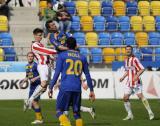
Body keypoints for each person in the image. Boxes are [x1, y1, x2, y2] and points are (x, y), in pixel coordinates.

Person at [48, 37, 95, 126]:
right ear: (75, 45)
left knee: (59, 111)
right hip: (77, 88)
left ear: (66, 45)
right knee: (76, 113)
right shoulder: (82, 57)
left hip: (65, 87)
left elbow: (57, 73)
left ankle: (66, 124)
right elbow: (88, 75)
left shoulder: (62, 55)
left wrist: (50, 87)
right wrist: (91, 90)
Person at [24, 28, 57, 109]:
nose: (41, 37)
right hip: (42, 66)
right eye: (39, 35)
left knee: (44, 88)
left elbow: (46, 54)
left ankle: (30, 99)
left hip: (47, 66)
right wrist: (57, 50)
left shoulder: (40, 44)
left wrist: (52, 59)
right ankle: (30, 100)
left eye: (41, 35)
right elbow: (45, 51)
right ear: (34, 36)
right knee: (43, 83)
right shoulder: (34, 45)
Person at [120, 45, 154, 120]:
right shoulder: (126, 60)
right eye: (127, 49)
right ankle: (130, 115)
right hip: (129, 82)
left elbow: (142, 69)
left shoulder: (135, 59)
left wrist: (136, 75)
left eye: (129, 49)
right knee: (125, 98)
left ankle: (150, 112)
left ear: (131, 51)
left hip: (136, 82)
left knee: (140, 96)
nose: (128, 50)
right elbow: (128, 70)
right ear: (125, 51)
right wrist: (123, 77)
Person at [20, 52, 43, 124]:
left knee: (34, 102)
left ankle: (39, 119)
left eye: (31, 56)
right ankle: (40, 117)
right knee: (32, 103)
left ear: (33, 57)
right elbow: (27, 76)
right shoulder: (27, 66)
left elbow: (42, 75)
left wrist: (35, 78)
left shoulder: (36, 65)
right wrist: (23, 82)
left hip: (38, 86)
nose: (30, 57)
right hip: (32, 86)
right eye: (29, 56)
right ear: (27, 57)